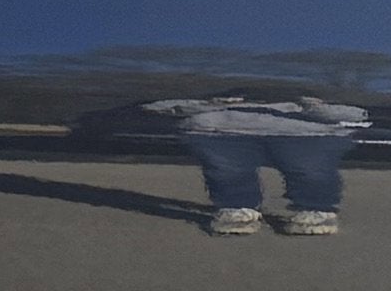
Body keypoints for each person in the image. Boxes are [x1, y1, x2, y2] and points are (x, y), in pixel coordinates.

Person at [149, 87, 371, 237]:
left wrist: (312, 104)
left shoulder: (309, 86)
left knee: (308, 170)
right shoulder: (213, 84)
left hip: (306, 132)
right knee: (228, 171)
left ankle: (317, 210)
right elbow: (157, 106)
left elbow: (356, 113)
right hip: (221, 130)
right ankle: (238, 209)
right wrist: (212, 102)